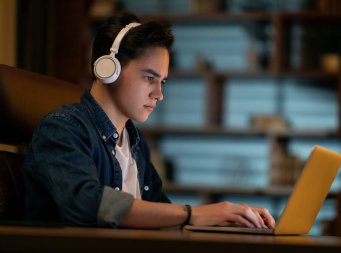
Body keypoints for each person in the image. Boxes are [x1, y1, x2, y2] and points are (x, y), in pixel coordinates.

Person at [24, 11, 275, 229]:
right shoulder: (61, 129)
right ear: (109, 69)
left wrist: (223, 218)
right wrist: (193, 214)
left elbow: (160, 213)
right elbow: (87, 205)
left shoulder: (134, 141)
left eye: (162, 81)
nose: (159, 94)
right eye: (149, 78)